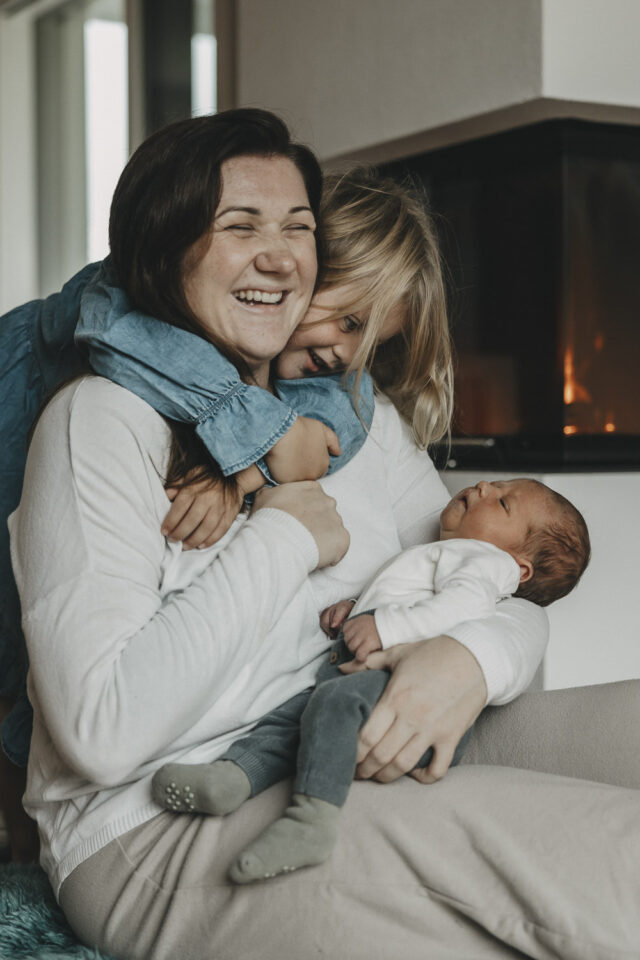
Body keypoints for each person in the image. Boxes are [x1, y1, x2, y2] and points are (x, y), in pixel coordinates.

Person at [8, 110, 636, 960]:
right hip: (164, 818)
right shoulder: (102, 421)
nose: (277, 253)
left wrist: (475, 659)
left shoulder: (355, 418)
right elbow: (102, 730)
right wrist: (285, 534)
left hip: (348, 729)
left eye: (296, 227)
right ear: (166, 248)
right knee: (601, 853)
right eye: (240, 226)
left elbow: (487, 570)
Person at [151, 477, 590, 883]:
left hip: (399, 693)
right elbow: (403, 594)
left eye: (503, 501)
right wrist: (355, 608)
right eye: (496, 484)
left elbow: (457, 611)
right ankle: (233, 778)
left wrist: (385, 628)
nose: (484, 486)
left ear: (521, 568)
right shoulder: (453, 554)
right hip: (364, 675)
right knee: (292, 719)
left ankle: (311, 821)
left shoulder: (484, 563)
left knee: (328, 709)